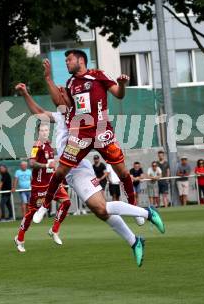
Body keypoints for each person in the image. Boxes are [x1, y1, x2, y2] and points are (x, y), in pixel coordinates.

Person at [15, 80, 165, 267]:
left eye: (63, 92)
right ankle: (135, 240)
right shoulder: (61, 115)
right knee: (101, 211)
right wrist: (25, 93)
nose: (59, 93)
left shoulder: (79, 113)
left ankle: (147, 213)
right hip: (71, 169)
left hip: (77, 168)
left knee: (101, 208)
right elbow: (39, 113)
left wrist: (49, 79)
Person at [33, 50, 137, 224]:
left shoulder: (98, 75)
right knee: (60, 171)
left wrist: (122, 84)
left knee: (123, 172)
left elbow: (119, 94)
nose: (66, 62)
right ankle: (44, 206)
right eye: (66, 60)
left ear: (81, 60)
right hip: (80, 135)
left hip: (103, 133)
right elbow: (63, 105)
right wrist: (49, 80)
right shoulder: (71, 83)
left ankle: (134, 207)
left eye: (69, 59)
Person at [15, 122, 71, 252]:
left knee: (67, 202)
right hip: (39, 186)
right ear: (38, 132)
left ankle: (54, 230)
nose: (45, 132)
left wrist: (56, 175)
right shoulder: (37, 145)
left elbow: (51, 165)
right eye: (42, 130)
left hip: (52, 183)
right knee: (32, 212)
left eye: (46, 130)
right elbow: (31, 163)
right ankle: (20, 238)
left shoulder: (48, 145)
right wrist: (46, 166)